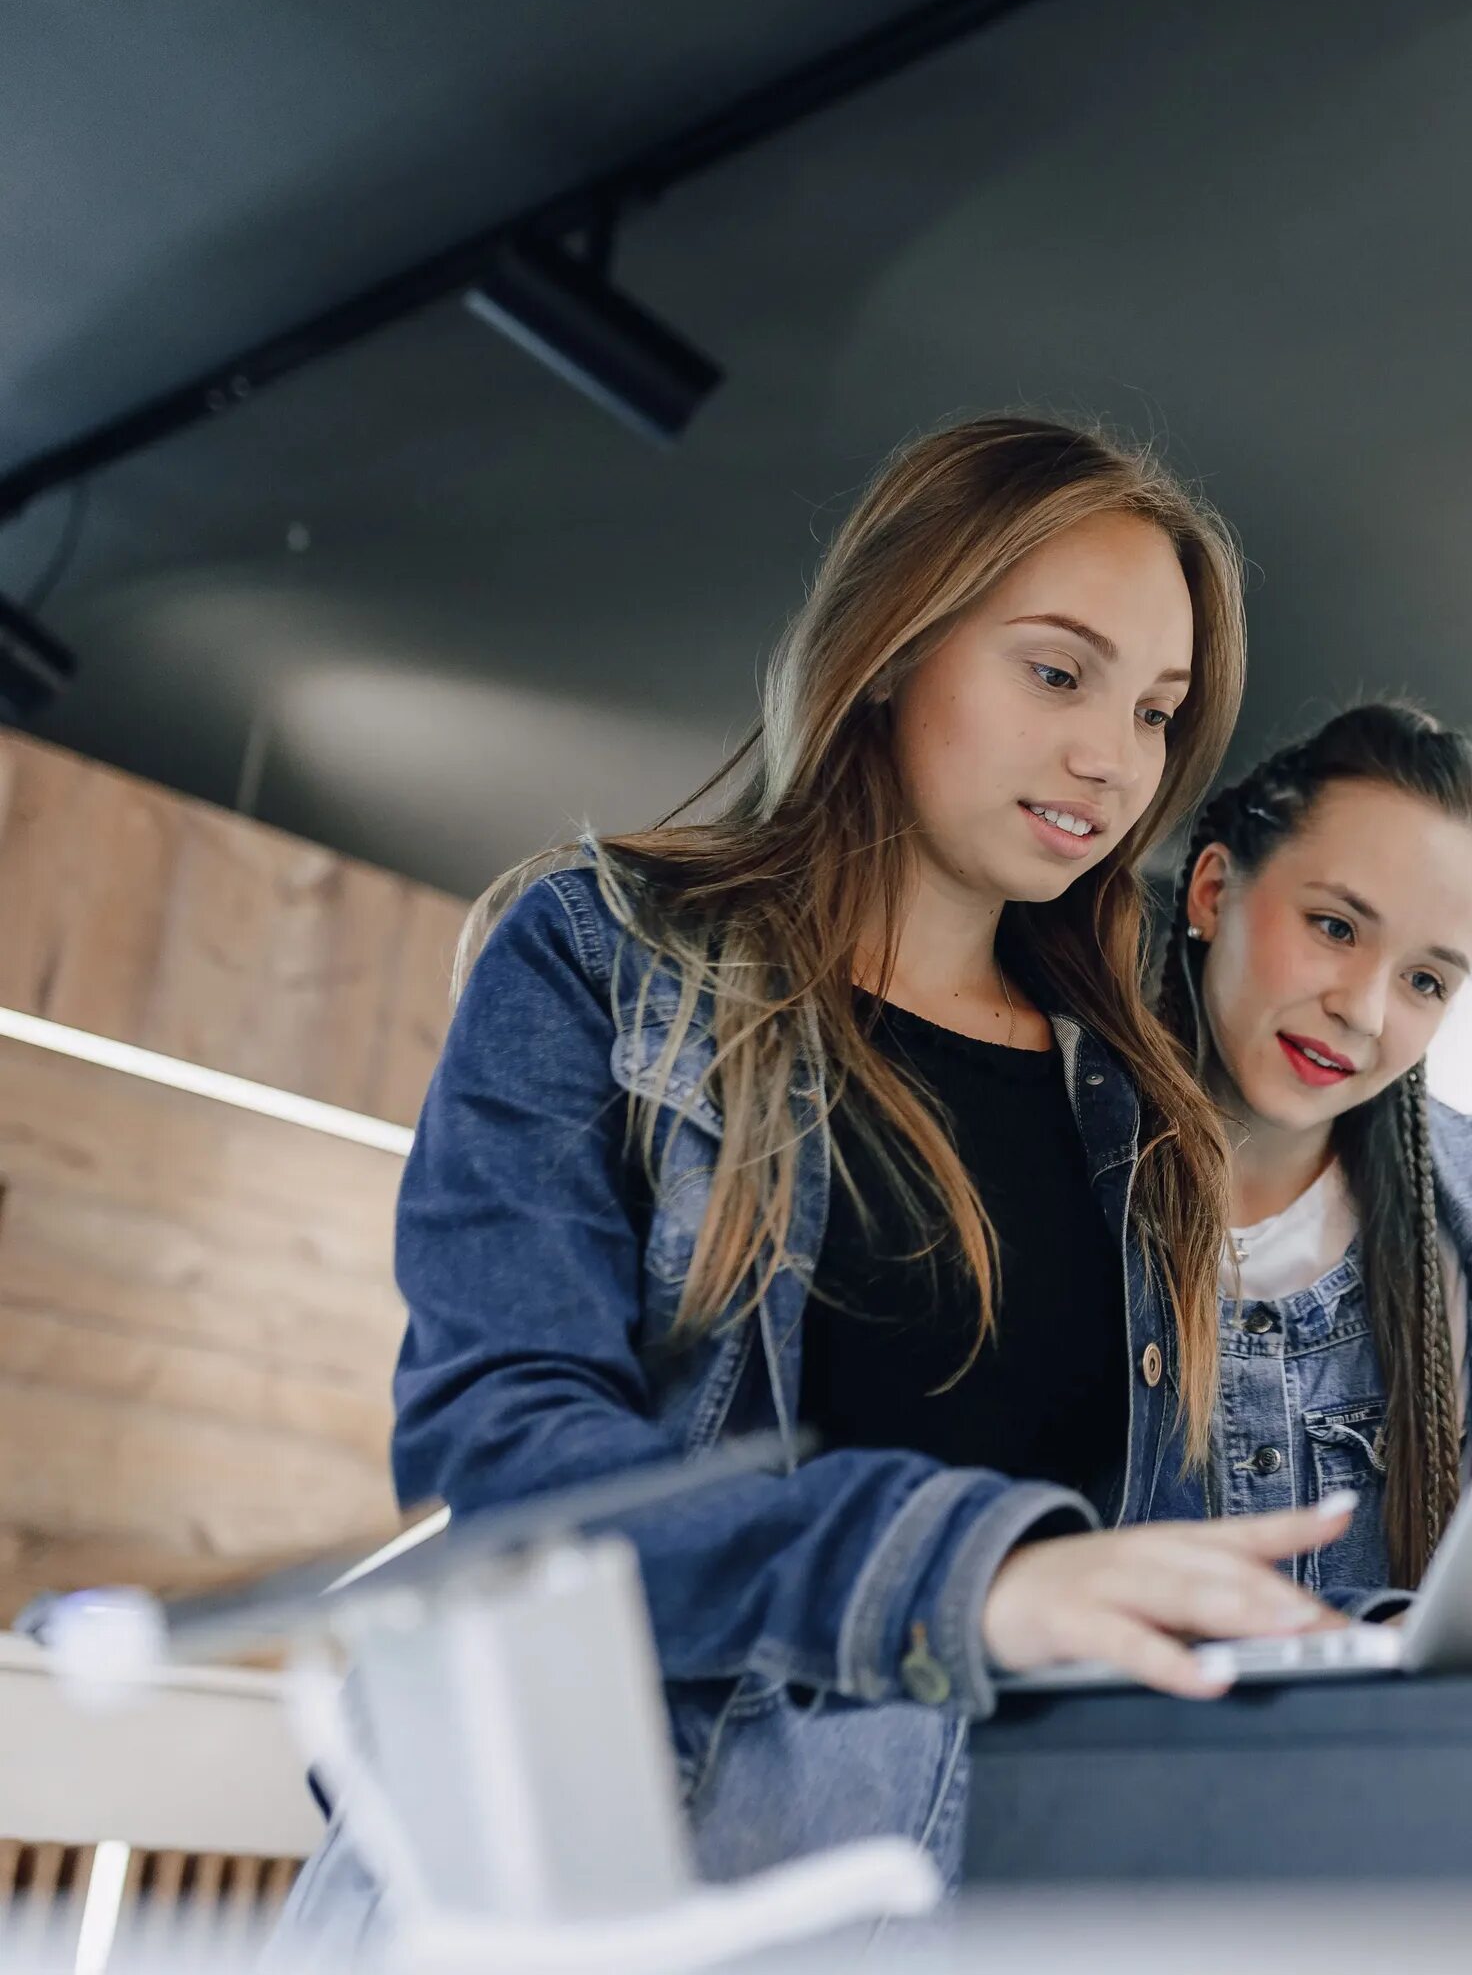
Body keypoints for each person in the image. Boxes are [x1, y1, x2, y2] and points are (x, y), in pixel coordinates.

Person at [279, 416, 1346, 1943]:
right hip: (600, 1891)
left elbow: (1141, 1571)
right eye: (1058, 673)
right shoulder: (599, 954)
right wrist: (965, 1578)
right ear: (897, 643)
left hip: (962, 1895)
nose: (1116, 760)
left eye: (1161, 711)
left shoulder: (1137, 1106)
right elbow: (508, 1466)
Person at [1160, 702, 1472, 1601]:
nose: (1363, 1010)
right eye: (1335, 927)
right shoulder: (1045, 1169)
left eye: (1425, 980)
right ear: (1213, 891)